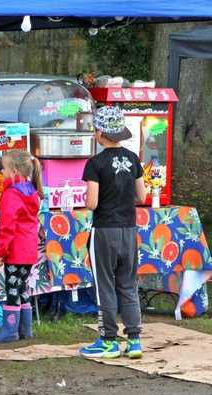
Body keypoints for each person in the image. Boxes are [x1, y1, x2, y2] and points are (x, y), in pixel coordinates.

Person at [79, 105, 146, 359]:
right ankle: (135, 340)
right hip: (129, 229)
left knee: (105, 285)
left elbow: (92, 203)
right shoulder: (133, 159)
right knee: (128, 284)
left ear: (99, 133)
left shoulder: (95, 163)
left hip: (104, 230)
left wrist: (86, 196)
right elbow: (142, 195)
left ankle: (108, 340)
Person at [0, 149, 43, 344]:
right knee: (22, 288)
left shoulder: (11, 195)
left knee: (12, 288)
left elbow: (6, 227)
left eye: (3, 168)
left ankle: (10, 330)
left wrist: (0, 252)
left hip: (16, 251)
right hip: (29, 250)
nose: (1, 172)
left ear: (14, 172)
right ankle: (25, 329)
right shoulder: (32, 191)